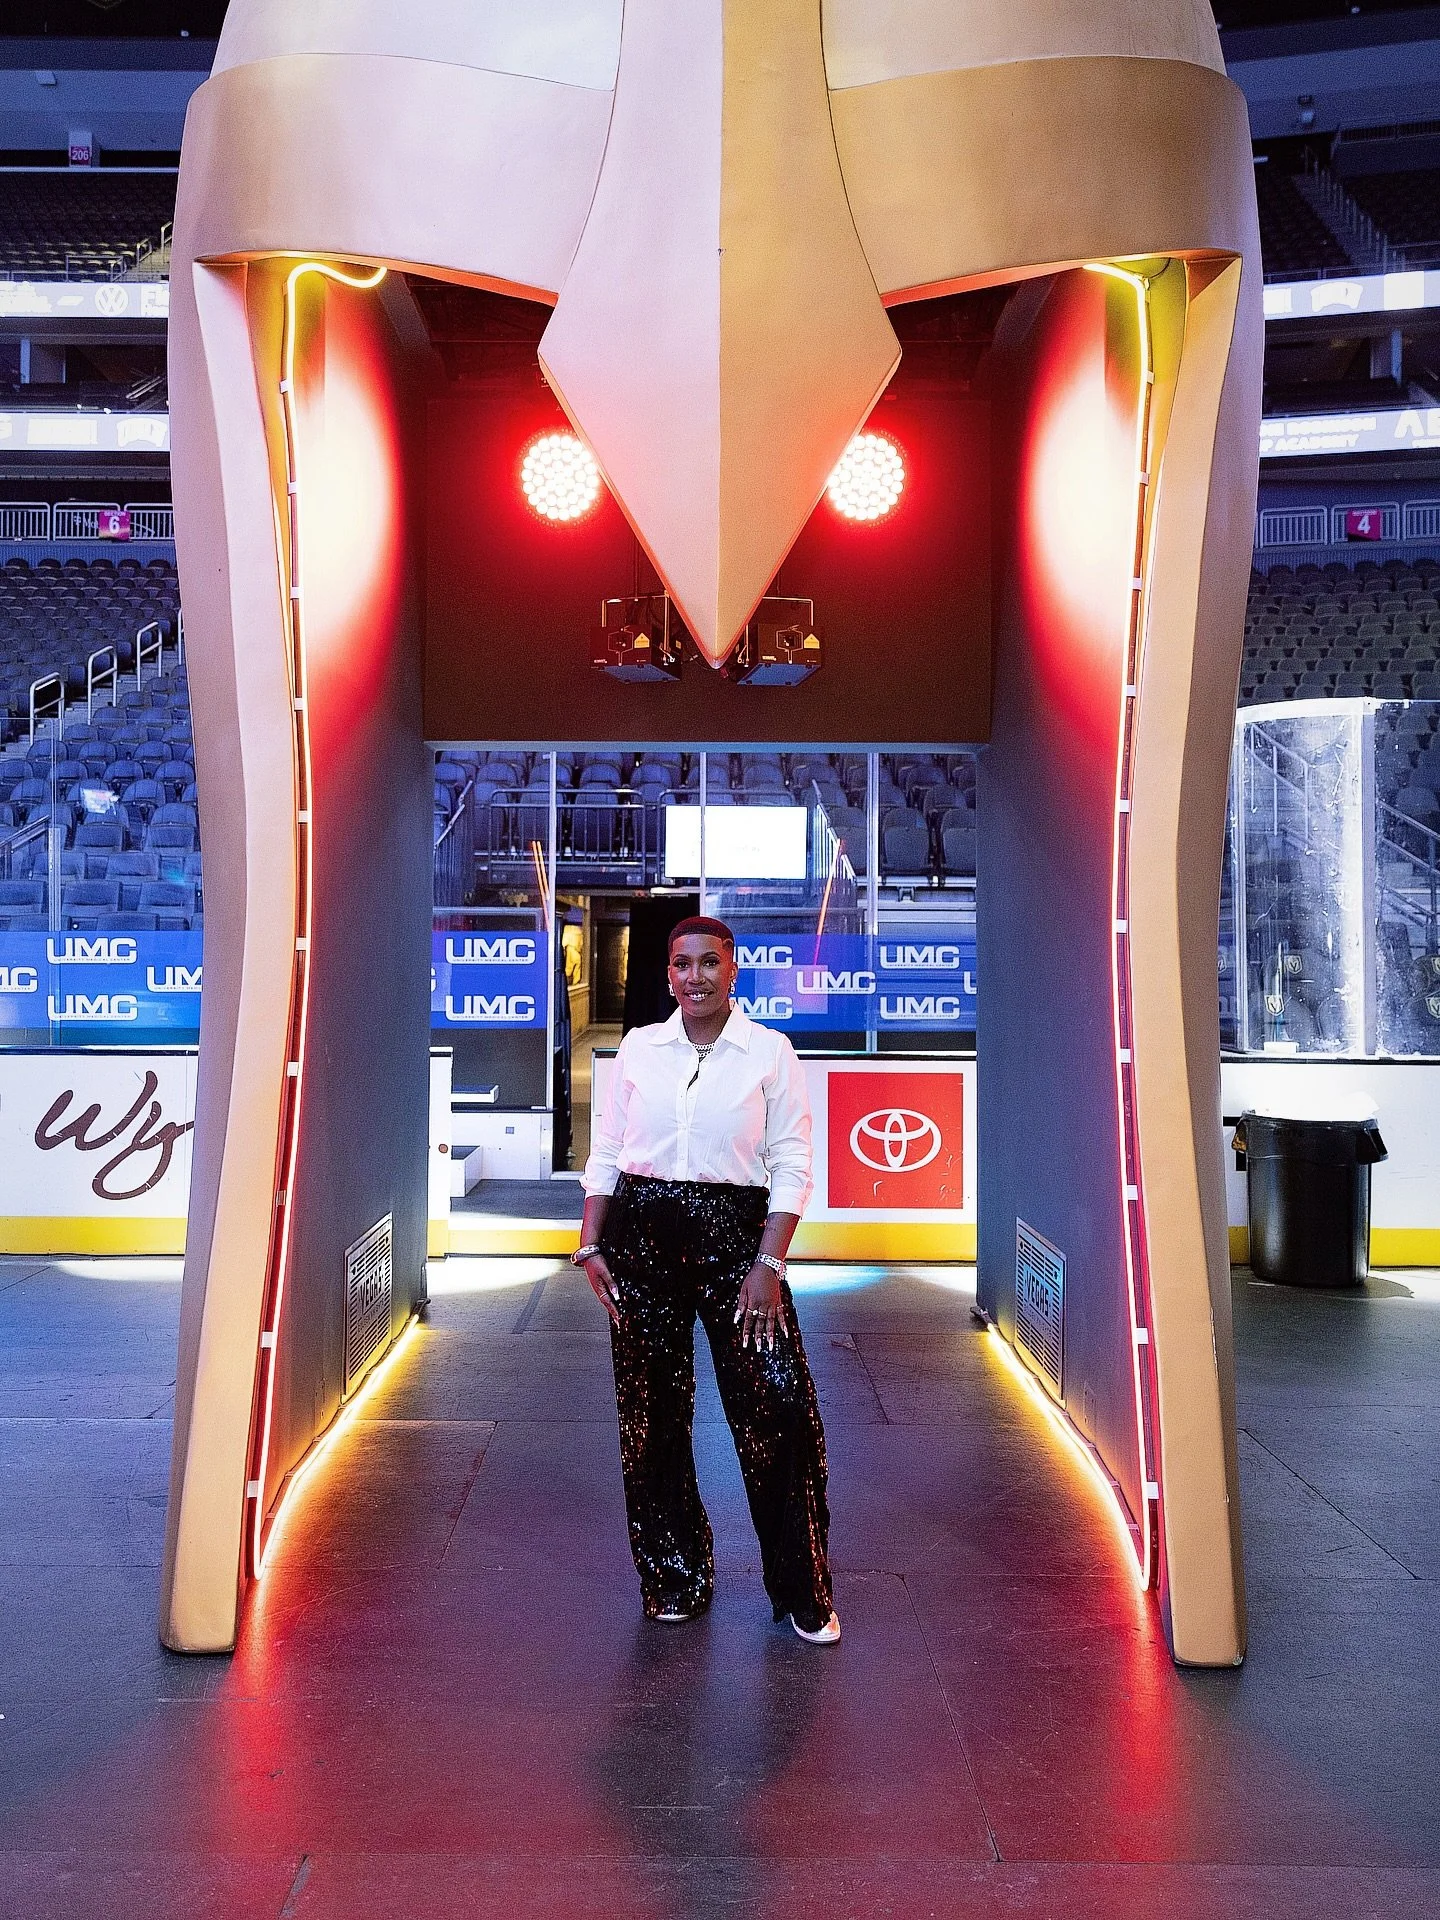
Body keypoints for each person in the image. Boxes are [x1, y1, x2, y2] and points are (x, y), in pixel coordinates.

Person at [575, 916, 840, 1643]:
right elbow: (608, 1153)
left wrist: (769, 1263)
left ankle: (801, 1589)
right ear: (668, 975)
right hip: (643, 1240)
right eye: (682, 965)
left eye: (709, 964)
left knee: (777, 1413)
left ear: (733, 970)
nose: (695, 977)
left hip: (737, 1243)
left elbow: (791, 1163)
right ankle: (675, 1576)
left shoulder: (769, 1053)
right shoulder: (638, 1049)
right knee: (653, 1421)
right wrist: (591, 1241)